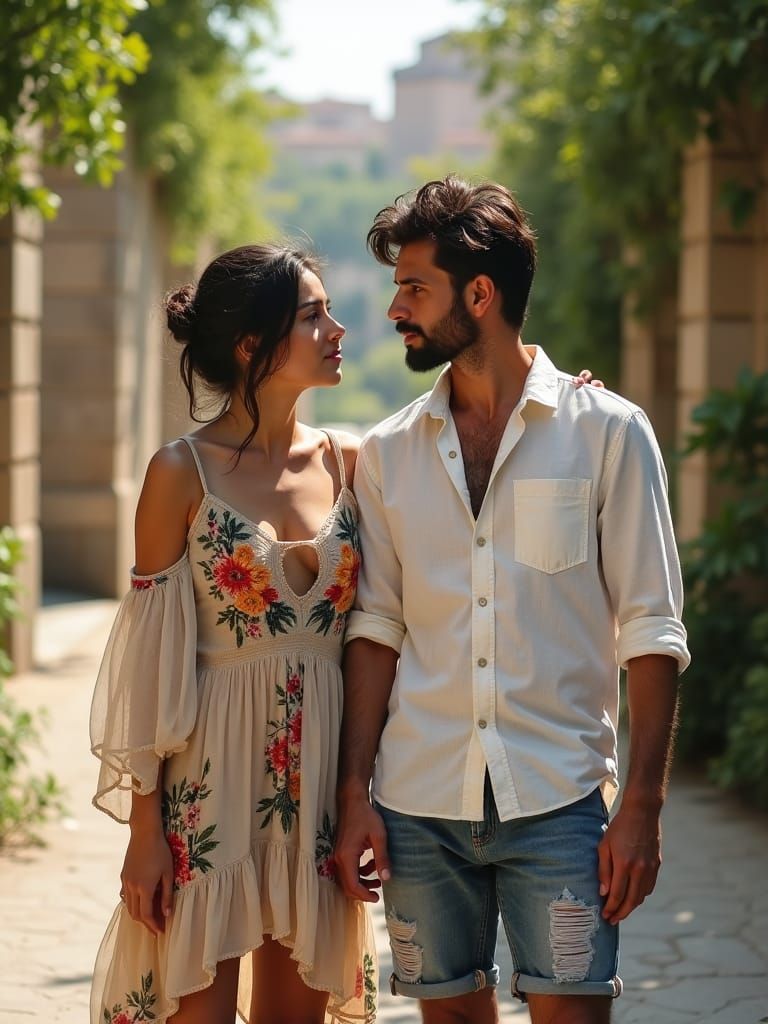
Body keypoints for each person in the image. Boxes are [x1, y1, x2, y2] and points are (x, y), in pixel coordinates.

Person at [335, 176, 690, 1024]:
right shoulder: (387, 454)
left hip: (558, 802)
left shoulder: (607, 432)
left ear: (480, 295)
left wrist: (641, 806)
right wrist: (355, 796)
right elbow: (376, 631)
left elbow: (652, 627)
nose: (396, 312)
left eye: (414, 288)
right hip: (418, 804)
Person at [89, 244, 377, 1024]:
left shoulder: (352, 463)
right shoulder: (180, 472)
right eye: (313, 315)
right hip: (207, 792)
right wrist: (144, 834)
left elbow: (455, 443)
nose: (337, 328)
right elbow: (152, 662)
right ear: (251, 345)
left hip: (314, 791)